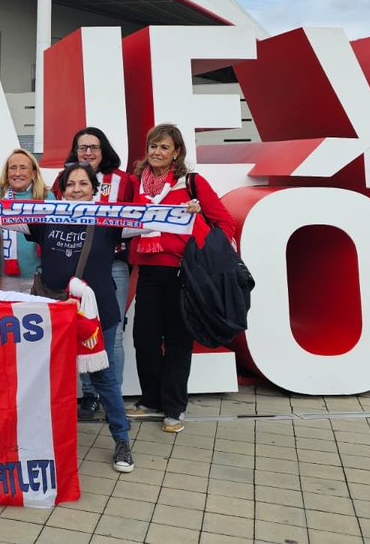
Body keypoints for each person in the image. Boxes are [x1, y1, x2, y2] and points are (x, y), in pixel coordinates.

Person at [23, 162, 135, 473]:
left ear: (94, 189)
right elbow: (6, 218)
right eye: (70, 184)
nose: (76, 189)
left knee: (104, 378)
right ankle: (39, 440)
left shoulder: (109, 220)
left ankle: (122, 440)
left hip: (97, 315)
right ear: (60, 190)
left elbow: (151, 223)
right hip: (54, 312)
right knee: (45, 376)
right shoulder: (46, 218)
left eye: (83, 184)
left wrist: (187, 212)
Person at [129, 123, 235, 434]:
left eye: (163, 147)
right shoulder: (136, 184)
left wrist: (198, 227)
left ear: (177, 152)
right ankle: (151, 400)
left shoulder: (191, 183)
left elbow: (225, 223)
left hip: (181, 274)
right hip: (148, 272)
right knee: (144, 340)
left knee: (176, 342)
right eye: (152, 146)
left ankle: (174, 407)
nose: (156, 152)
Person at [53, 128, 136, 421]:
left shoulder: (124, 180)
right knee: (83, 330)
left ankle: (111, 393)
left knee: (111, 334)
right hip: (75, 268)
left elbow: (142, 216)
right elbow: (46, 217)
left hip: (112, 263)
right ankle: (89, 396)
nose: (88, 152)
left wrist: (182, 214)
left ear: (104, 150)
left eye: (94, 147)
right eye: (82, 147)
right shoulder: (62, 180)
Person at [0, 149, 48, 291]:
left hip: (37, 276)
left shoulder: (46, 197)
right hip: (3, 279)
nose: (17, 173)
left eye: (23, 168)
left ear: (33, 173)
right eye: (13, 168)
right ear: (7, 172)